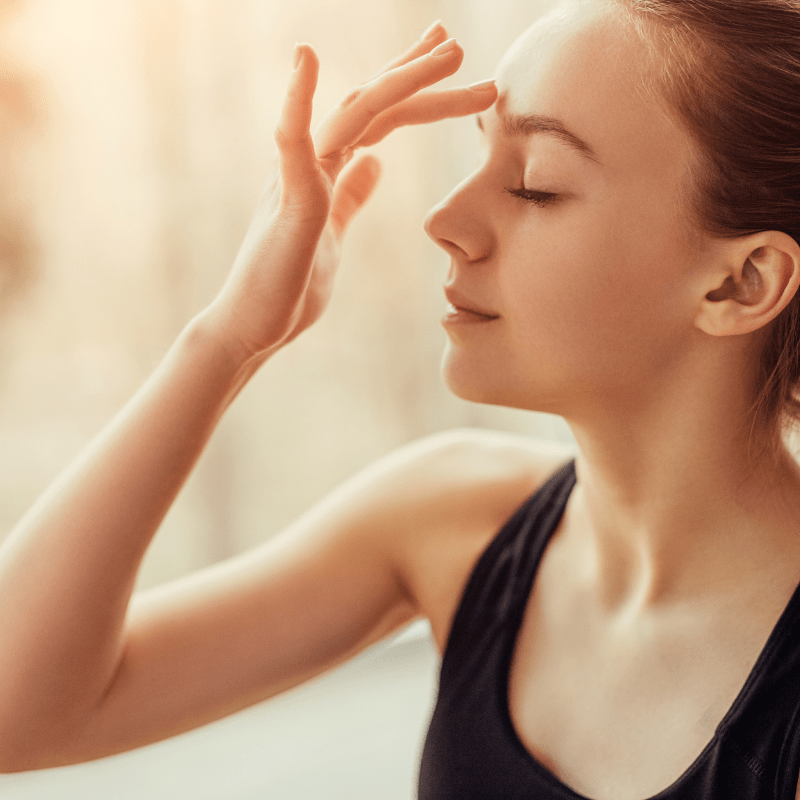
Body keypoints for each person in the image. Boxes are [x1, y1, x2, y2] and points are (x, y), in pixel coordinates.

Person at [3, 0, 800, 796]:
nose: (443, 219)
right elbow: (20, 711)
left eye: (533, 186)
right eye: (478, 155)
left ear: (742, 280)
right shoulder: (451, 520)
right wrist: (229, 338)